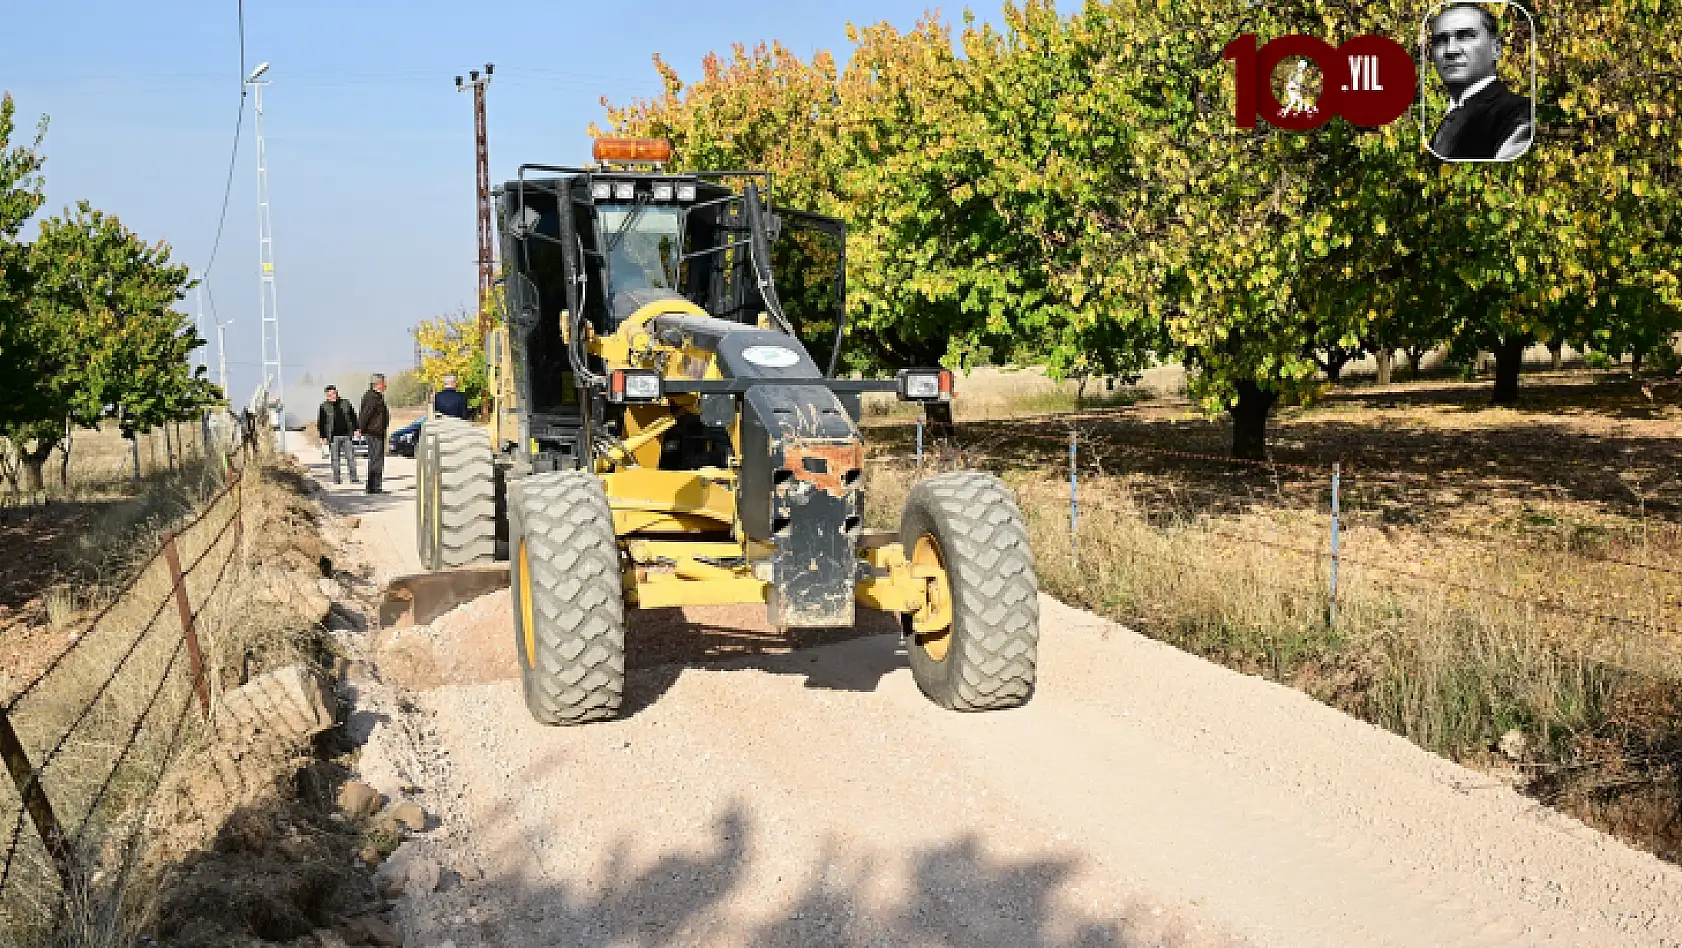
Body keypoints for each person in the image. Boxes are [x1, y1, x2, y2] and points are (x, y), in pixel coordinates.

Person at [1427, 3, 1533, 161]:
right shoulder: (1452, 118)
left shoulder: (1519, 114)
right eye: (1440, 40)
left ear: (1496, 49)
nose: (1450, 50)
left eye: (1465, 36)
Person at [316, 385, 360, 485]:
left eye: (335, 393)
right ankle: (337, 478)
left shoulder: (346, 403)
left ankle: (353, 478)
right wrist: (323, 436)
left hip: (346, 435)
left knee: (351, 457)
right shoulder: (323, 406)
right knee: (335, 459)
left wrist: (356, 428)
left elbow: (353, 416)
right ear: (326, 395)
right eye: (330, 394)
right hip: (333, 437)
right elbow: (321, 423)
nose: (333, 396)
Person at [359, 373, 391, 494]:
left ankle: (374, 486)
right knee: (376, 460)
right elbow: (365, 414)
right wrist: (360, 429)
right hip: (374, 433)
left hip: (377, 432)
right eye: (384, 383)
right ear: (378, 384)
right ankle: (374, 487)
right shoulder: (371, 397)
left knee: (376, 459)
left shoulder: (376, 396)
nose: (386, 385)